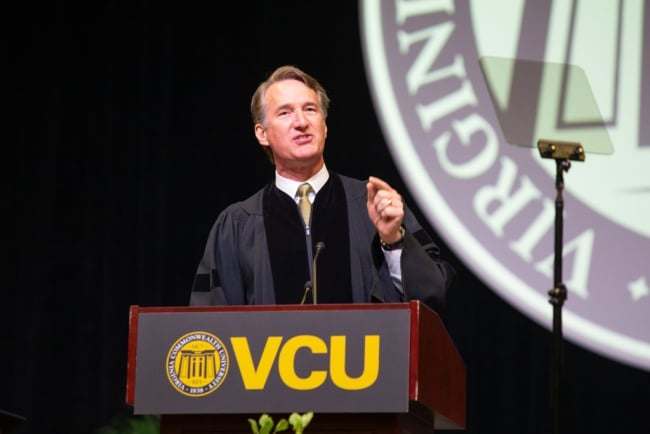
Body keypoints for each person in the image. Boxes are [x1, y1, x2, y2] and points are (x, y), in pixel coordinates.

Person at [189, 65, 454, 313]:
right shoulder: (237, 226)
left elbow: (431, 299)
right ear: (262, 134)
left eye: (310, 110)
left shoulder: (372, 205)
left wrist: (394, 240)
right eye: (285, 112)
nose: (301, 122)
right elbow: (213, 330)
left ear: (325, 127)